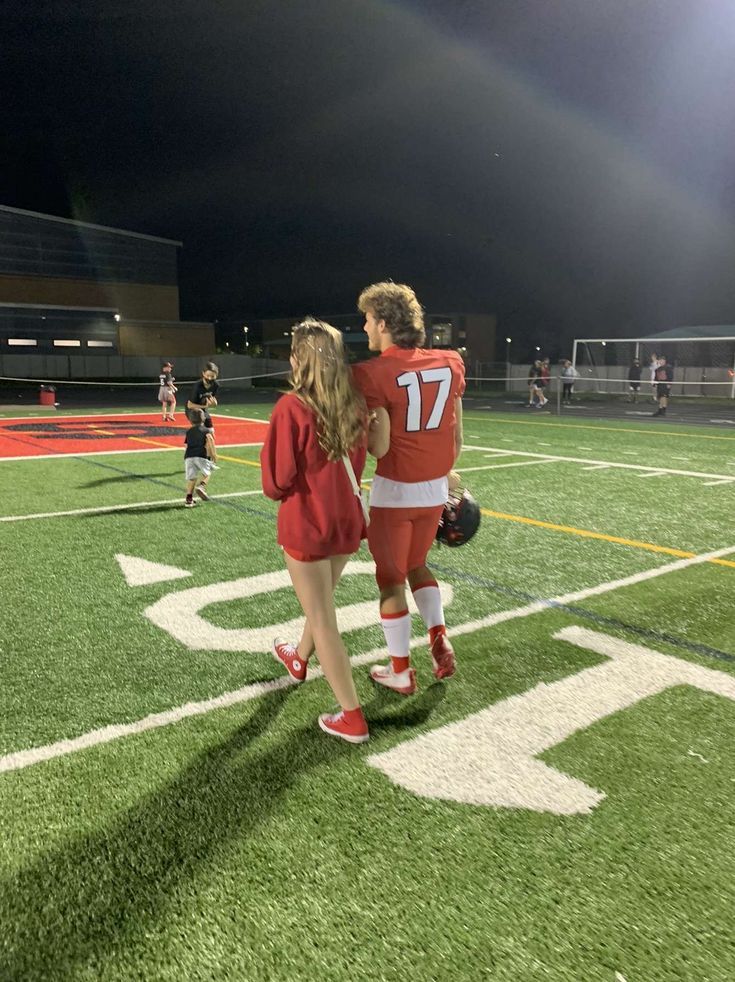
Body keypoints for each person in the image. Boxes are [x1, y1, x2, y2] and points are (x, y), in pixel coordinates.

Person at [351, 281, 465, 696]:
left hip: (396, 491)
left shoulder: (373, 372)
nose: (364, 328)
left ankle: (400, 670)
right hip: (435, 491)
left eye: (367, 320)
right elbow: (456, 437)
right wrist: (443, 472)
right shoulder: (450, 361)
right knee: (418, 565)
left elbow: (380, 446)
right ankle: (439, 636)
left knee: (390, 580)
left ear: (383, 322)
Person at [260, 318, 370, 744]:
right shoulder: (355, 404)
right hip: (345, 521)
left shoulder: (292, 407)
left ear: (298, 359)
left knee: (323, 618)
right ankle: (298, 660)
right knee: (320, 603)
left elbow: (276, 483)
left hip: (308, 523)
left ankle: (352, 715)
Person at [184, 409, 217, 507]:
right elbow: (210, 441)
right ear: (203, 419)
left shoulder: (189, 431)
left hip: (188, 457)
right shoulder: (206, 430)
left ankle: (189, 499)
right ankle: (201, 486)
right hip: (201, 455)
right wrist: (214, 455)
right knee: (208, 471)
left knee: (192, 478)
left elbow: (186, 445)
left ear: (190, 420)